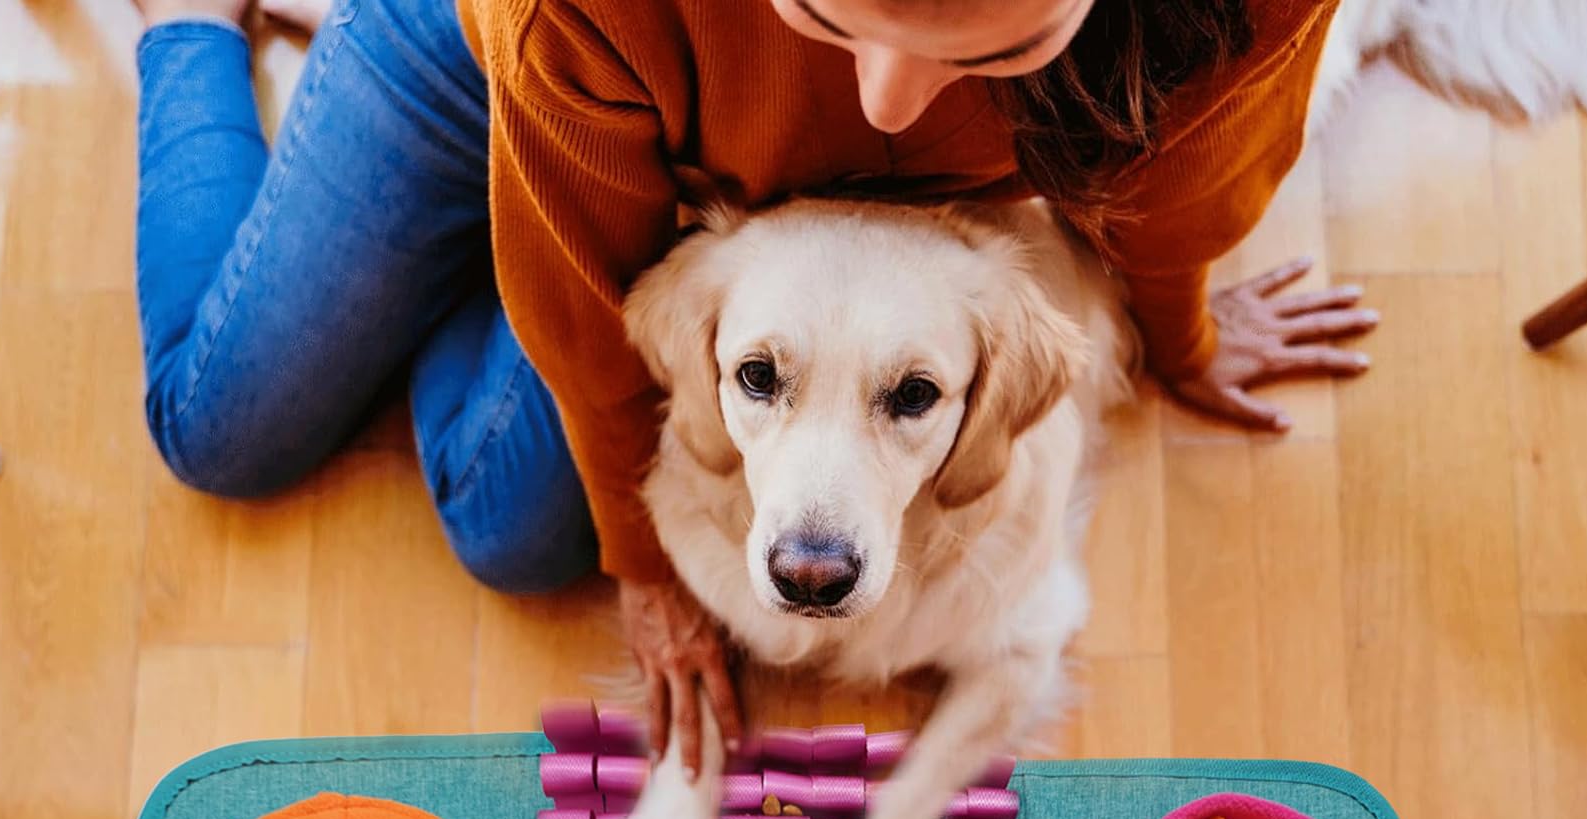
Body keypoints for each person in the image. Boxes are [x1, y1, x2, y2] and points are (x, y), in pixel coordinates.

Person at [133, 0, 1373, 770]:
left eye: (999, 47)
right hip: (494, 66)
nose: (883, 108)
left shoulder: (1244, 7)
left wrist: (1179, 342)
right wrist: (646, 562)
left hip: (692, 229)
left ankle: (432, 251)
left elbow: (1174, 196)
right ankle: (190, 24)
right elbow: (577, 306)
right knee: (213, 432)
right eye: (828, 21)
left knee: (507, 530)